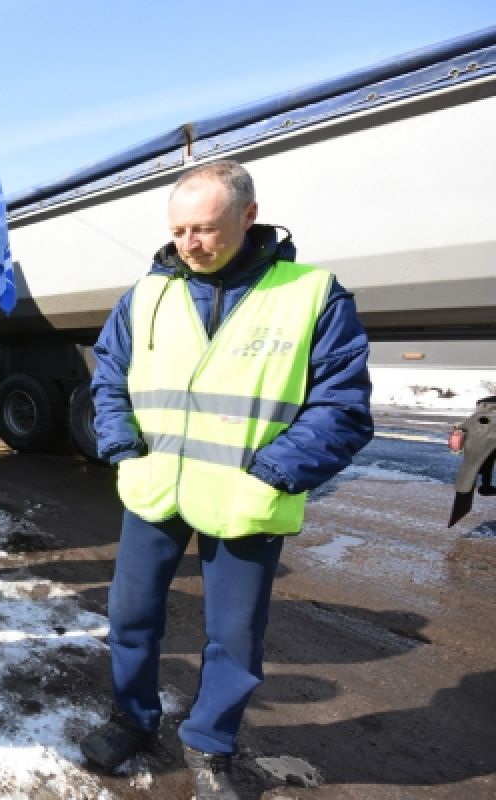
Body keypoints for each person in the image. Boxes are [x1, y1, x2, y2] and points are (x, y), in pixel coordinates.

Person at [82, 160, 373, 798]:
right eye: (181, 229)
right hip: (154, 490)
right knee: (130, 615)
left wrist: (272, 474)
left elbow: (342, 406)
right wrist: (124, 450)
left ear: (249, 216)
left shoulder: (310, 294)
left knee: (234, 637)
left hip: (247, 498)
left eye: (207, 228)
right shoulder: (147, 294)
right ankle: (132, 718)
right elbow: (109, 379)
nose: (192, 242)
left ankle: (211, 744)